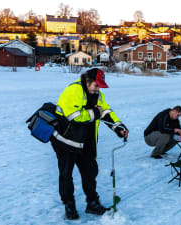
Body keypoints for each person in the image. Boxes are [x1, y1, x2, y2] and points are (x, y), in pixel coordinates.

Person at [52, 68, 128, 220]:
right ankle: (69, 205)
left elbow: (105, 111)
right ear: (87, 81)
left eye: (100, 86)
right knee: (66, 174)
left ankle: (92, 203)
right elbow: (74, 116)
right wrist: (96, 113)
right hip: (66, 141)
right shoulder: (73, 90)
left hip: (86, 141)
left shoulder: (97, 94)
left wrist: (118, 127)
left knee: (90, 172)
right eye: (96, 85)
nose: (98, 89)